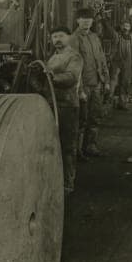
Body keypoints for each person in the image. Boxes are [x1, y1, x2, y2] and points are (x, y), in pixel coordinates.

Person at [45, 25, 84, 194]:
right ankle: (55, 181)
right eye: (54, 37)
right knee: (53, 145)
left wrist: (52, 77)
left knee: (67, 146)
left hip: (67, 106)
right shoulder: (52, 57)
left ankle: (68, 183)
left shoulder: (74, 56)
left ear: (68, 37)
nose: (57, 40)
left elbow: (71, 77)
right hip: (51, 105)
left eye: (61, 36)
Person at [69, 7, 109, 157]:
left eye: (89, 19)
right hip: (83, 85)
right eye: (83, 19)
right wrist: (79, 90)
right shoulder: (74, 39)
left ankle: (90, 146)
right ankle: (77, 151)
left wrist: (106, 80)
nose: (86, 22)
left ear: (92, 21)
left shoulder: (94, 37)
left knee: (95, 116)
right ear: (78, 21)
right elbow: (74, 66)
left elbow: (102, 59)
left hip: (96, 83)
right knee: (82, 119)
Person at [110, 20, 132, 109]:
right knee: (113, 81)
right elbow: (113, 48)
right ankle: (109, 102)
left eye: (127, 26)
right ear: (122, 27)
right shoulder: (117, 36)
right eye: (124, 26)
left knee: (125, 83)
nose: (126, 28)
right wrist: (111, 58)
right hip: (117, 62)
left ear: (130, 28)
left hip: (127, 63)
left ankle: (122, 103)